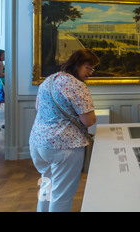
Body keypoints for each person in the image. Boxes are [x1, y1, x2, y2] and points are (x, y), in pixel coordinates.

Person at [29, 49, 99, 212]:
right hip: (64, 146)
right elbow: (88, 120)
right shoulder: (77, 85)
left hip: (38, 143)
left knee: (46, 188)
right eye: (88, 67)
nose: (91, 72)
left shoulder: (49, 80)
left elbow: (37, 107)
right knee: (61, 196)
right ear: (77, 64)